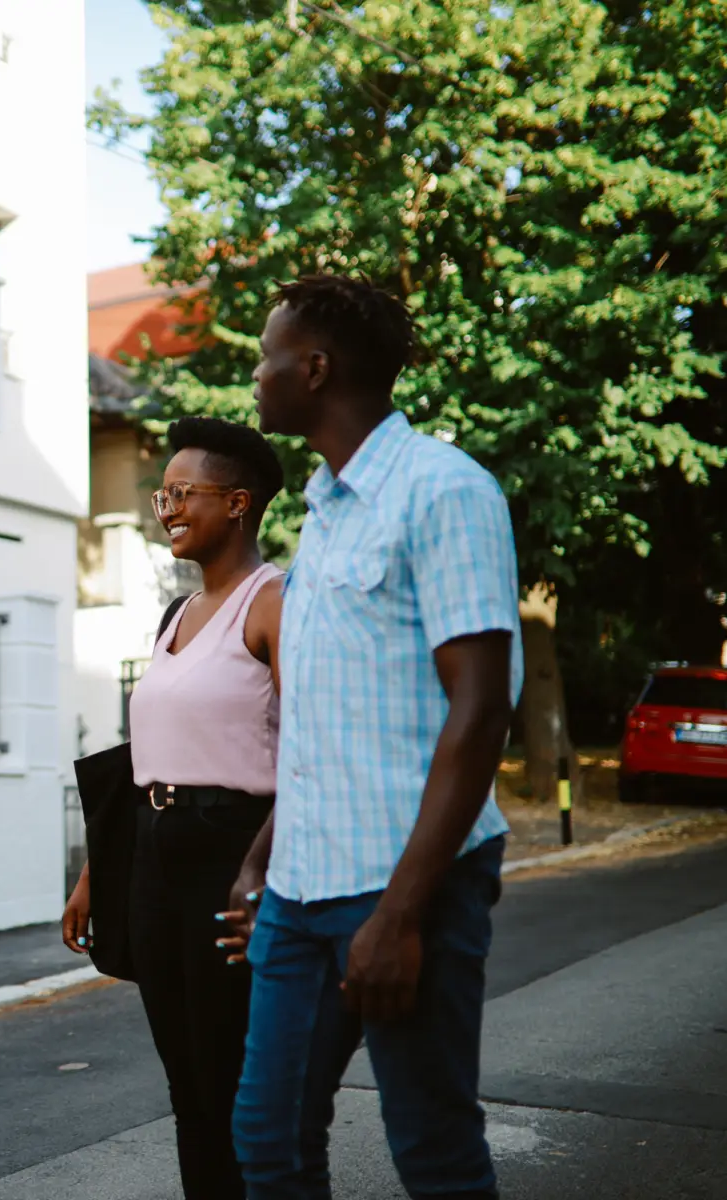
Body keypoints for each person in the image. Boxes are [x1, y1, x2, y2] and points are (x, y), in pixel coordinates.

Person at [227, 276, 521, 1200]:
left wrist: (399, 915)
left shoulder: (442, 490)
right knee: (267, 1143)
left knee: (432, 1148)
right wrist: (261, 858)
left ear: (314, 370)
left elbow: (479, 714)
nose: (258, 376)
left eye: (267, 357)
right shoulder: (323, 513)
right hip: (300, 890)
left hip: (408, 886)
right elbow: (327, 720)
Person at [63, 416, 286, 1199]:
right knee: (187, 1086)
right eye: (161, 494)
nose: (166, 508)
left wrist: (262, 874)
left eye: (182, 493)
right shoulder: (171, 619)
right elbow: (145, 763)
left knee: (235, 1082)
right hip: (155, 856)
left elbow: (310, 753)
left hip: (234, 854)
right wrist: (100, 871)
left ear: (238, 503)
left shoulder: (274, 601)